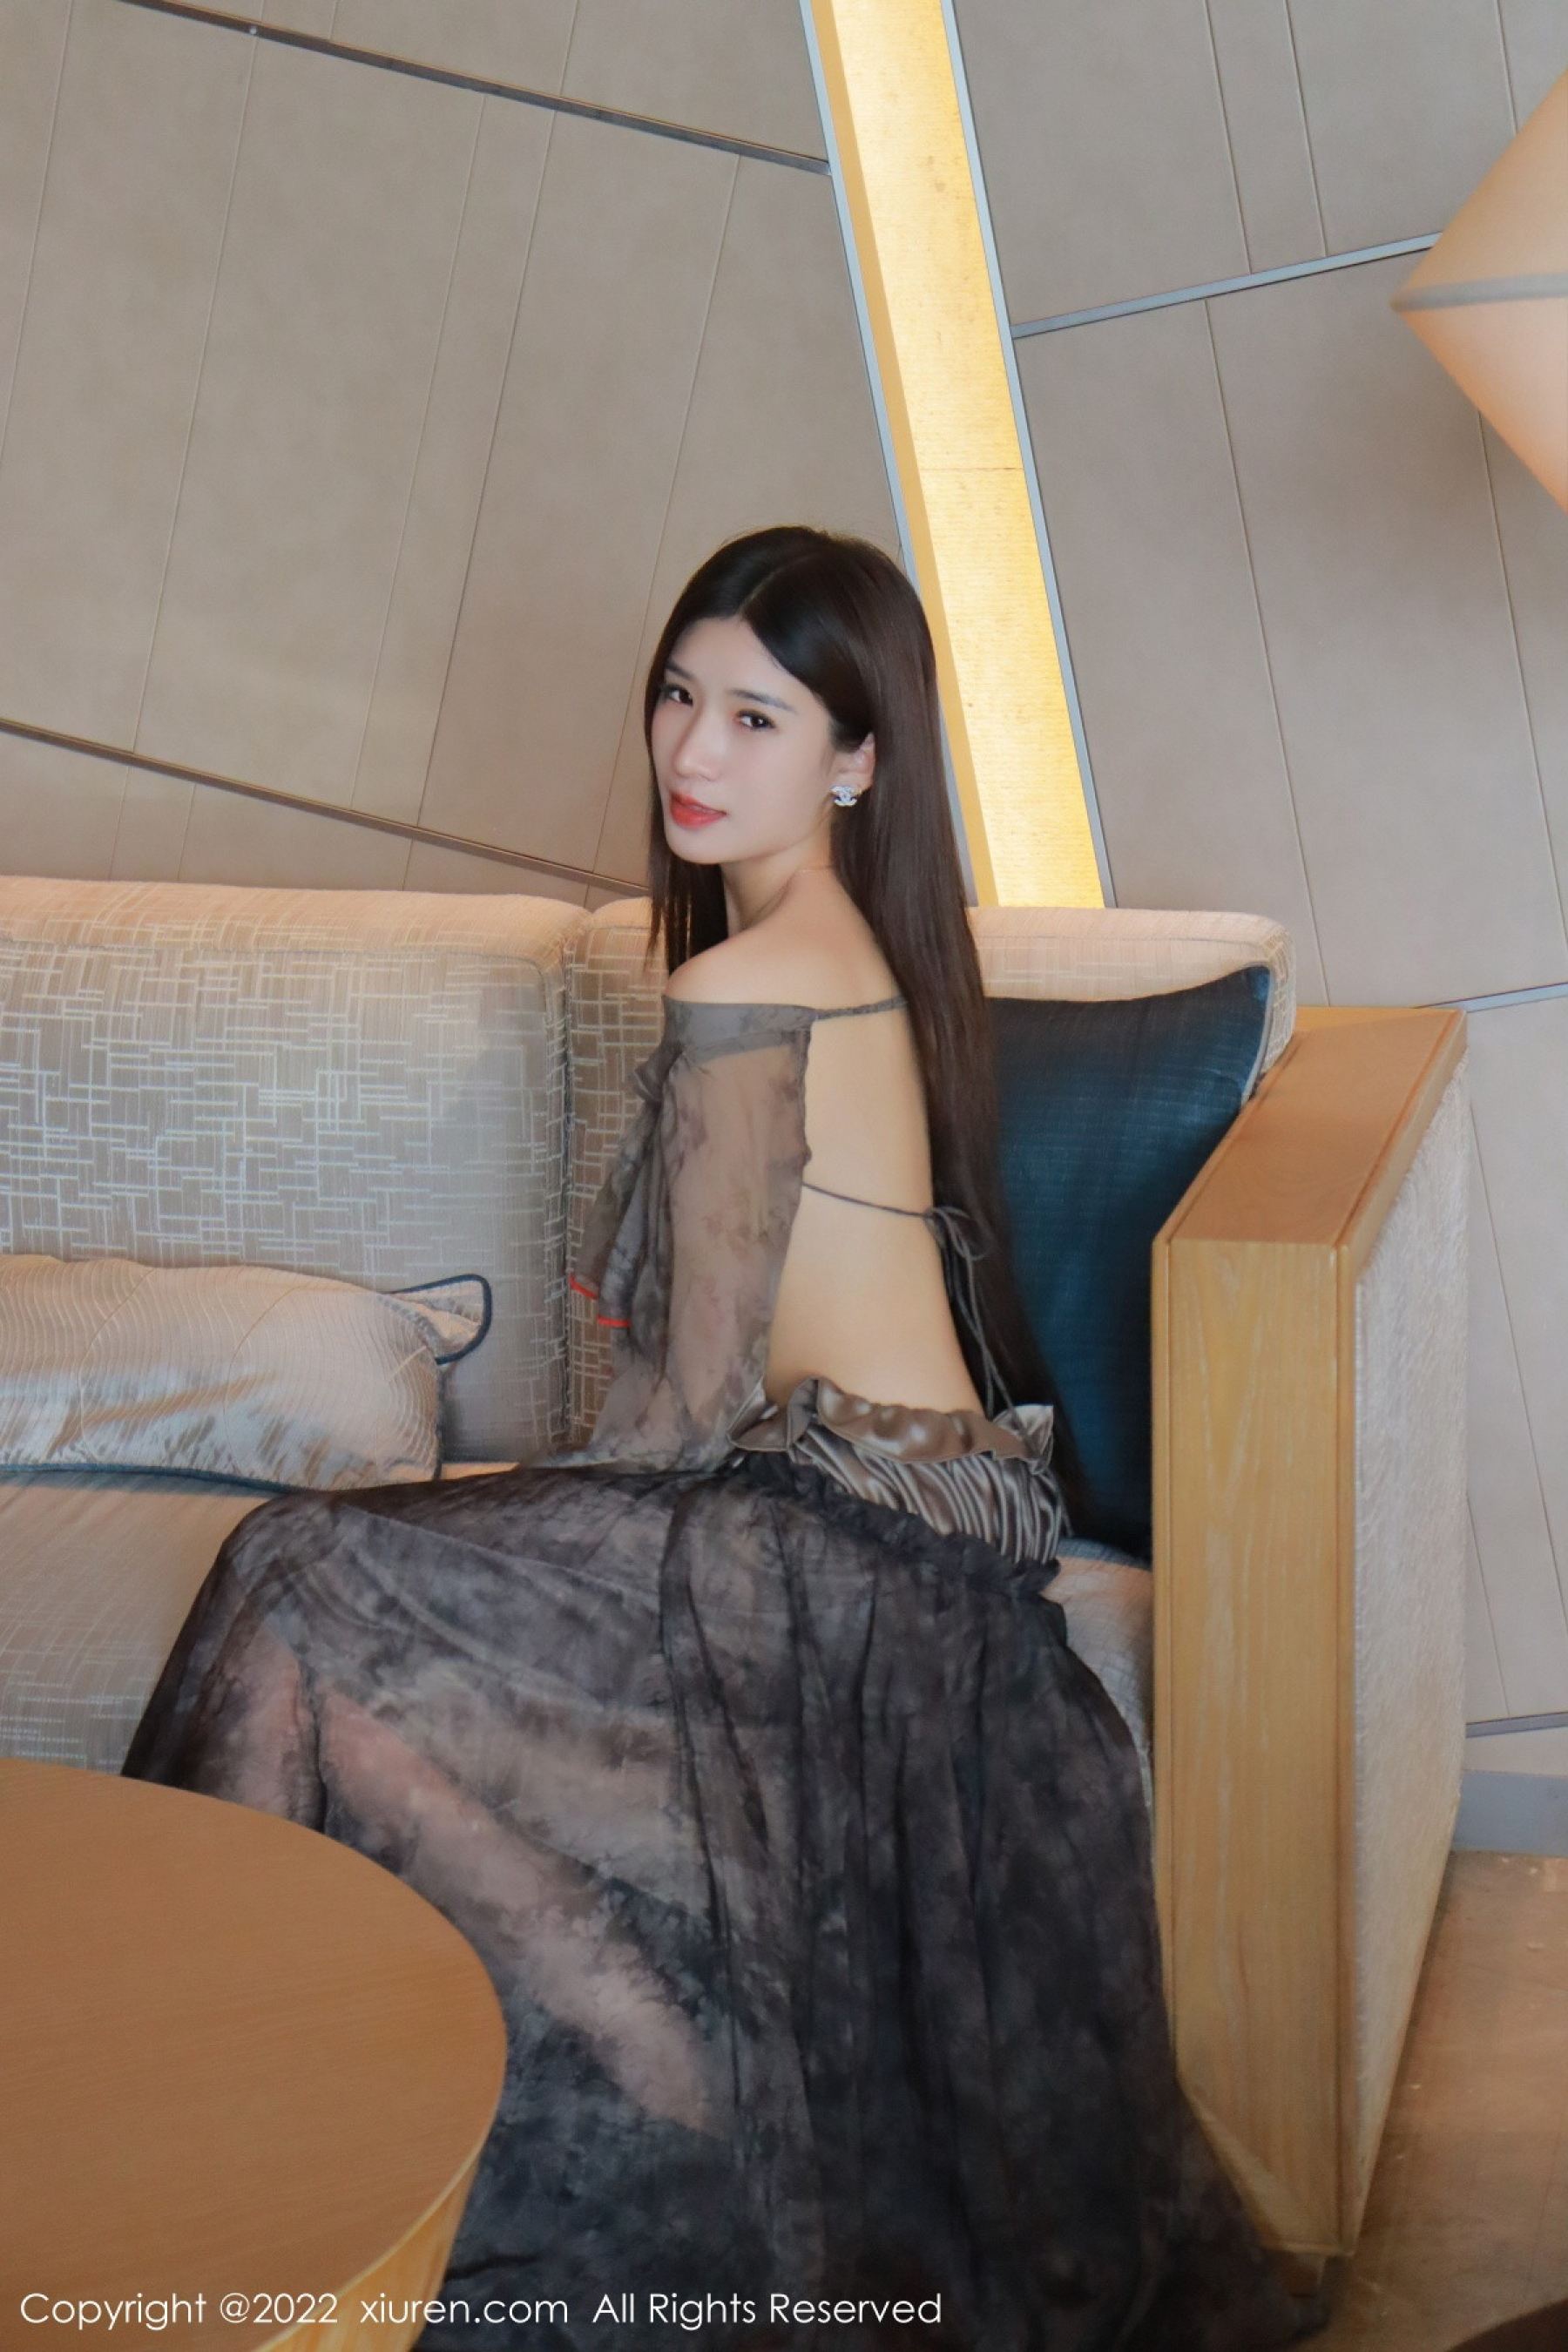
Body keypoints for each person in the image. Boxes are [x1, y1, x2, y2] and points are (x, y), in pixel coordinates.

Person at [120, 526, 1330, 2352]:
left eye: (757, 718)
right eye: (679, 697)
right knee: (348, 1671)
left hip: (841, 1559)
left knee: (297, 1575)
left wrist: (478, 1545)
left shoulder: (743, 988)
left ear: (858, 758)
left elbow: (680, 1425)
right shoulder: (852, 948)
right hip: (928, 1542)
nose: (693, 750)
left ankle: (186, 2171)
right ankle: (644, 2077)